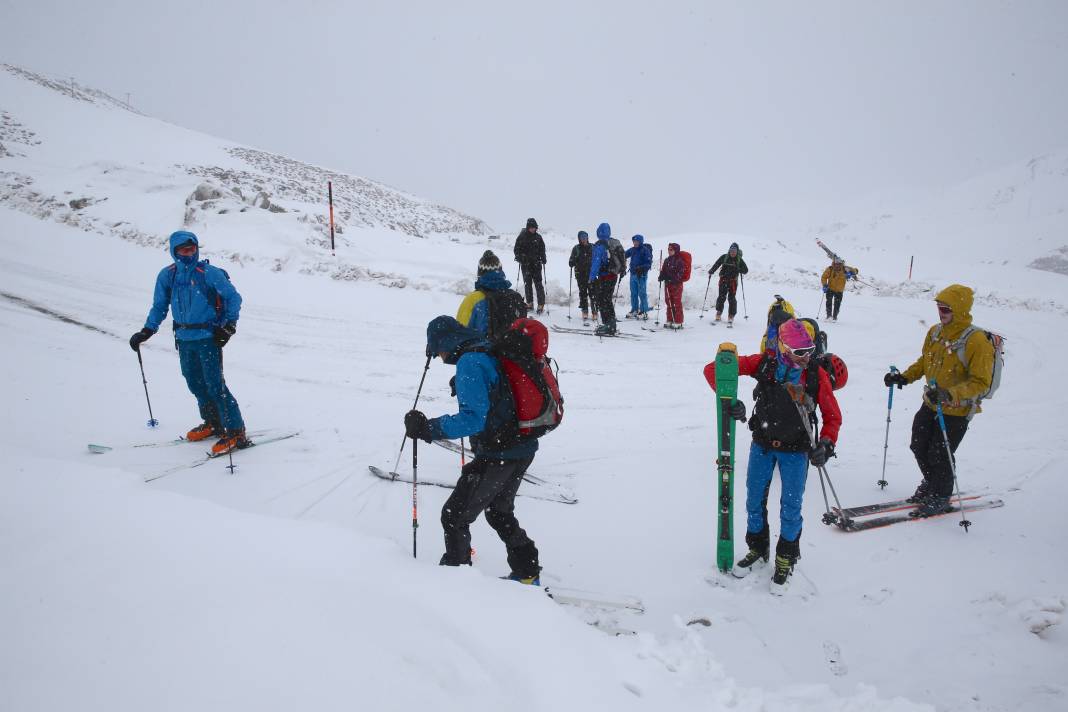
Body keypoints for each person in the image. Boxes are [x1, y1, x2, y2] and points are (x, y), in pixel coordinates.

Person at [704, 319, 842, 594]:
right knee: (754, 500)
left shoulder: (815, 375)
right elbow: (713, 370)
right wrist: (730, 400)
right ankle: (757, 548)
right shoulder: (765, 364)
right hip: (762, 445)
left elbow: (832, 415)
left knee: (790, 508)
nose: (806, 357)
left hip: (796, 451)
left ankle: (786, 559)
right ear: (781, 346)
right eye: (799, 351)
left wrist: (826, 444)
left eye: (810, 350)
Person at [404, 316, 542, 583]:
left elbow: (473, 419)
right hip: (522, 446)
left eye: (437, 350)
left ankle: (457, 585)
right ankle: (527, 572)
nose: (439, 356)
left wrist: (427, 428)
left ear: (444, 343)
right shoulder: (487, 348)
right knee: (499, 512)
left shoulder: (470, 362)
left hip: (499, 452)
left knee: (454, 515)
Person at [128, 230, 248, 455]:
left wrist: (229, 327)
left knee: (215, 385)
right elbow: (159, 306)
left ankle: (235, 430)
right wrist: (146, 331)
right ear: (175, 251)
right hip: (183, 339)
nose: (189, 253)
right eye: (184, 249)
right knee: (194, 383)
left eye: (192, 248)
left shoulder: (208, 273)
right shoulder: (168, 275)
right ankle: (213, 423)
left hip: (208, 338)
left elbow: (233, 298)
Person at [883, 285, 995, 517]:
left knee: (939, 453)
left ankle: (941, 495)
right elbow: (925, 362)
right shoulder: (935, 333)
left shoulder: (976, 341)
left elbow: (981, 382)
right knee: (918, 444)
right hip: (931, 403)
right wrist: (904, 377)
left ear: (960, 310)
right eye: (939, 308)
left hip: (956, 410)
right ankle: (932, 482)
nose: (940, 312)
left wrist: (950, 394)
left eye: (946, 309)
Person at [456, 250, 527, 339]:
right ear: (501, 271)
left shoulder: (473, 299)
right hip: (510, 350)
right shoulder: (514, 297)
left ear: (480, 273)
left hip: (483, 351)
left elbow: (459, 333)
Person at [588, 222, 624, 336]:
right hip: (613, 275)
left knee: (602, 300)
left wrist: (591, 278)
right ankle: (611, 324)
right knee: (607, 299)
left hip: (605, 276)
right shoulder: (615, 242)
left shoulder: (600, 244)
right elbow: (622, 258)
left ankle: (608, 325)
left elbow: (596, 262)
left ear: (599, 232)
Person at [708, 242, 749, 324]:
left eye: (734, 251)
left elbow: (746, 270)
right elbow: (717, 264)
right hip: (723, 280)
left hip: (733, 282)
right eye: (731, 250)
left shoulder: (739, 260)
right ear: (729, 250)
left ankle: (731, 315)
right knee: (721, 297)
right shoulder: (724, 257)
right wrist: (712, 270)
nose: (732, 252)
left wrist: (739, 269)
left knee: (732, 299)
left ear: (737, 252)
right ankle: (719, 313)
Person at [513, 218, 547, 313]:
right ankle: (529, 303)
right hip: (525, 265)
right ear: (528, 227)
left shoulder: (538, 238)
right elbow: (516, 250)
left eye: (534, 228)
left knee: (538, 284)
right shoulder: (521, 237)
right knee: (527, 284)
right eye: (531, 227)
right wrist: (520, 257)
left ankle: (541, 304)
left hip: (536, 264)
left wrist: (543, 258)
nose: (533, 229)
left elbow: (542, 249)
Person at [657, 242, 686, 329]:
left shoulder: (679, 261)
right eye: (668, 249)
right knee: (669, 302)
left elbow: (680, 273)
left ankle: (678, 321)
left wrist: (672, 278)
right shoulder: (667, 260)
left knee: (676, 302)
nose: (669, 251)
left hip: (676, 285)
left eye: (671, 249)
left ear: (676, 250)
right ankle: (670, 319)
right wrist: (661, 276)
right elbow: (663, 270)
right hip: (668, 284)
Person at [820, 257, 859, 322]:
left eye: (839, 264)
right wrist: (824, 285)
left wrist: (851, 273)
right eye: (836, 263)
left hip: (839, 290)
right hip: (830, 288)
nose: (837, 265)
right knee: (828, 302)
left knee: (837, 304)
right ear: (834, 263)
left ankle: (834, 317)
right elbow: (823, 277)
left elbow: (856, 270)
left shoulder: (845, 269)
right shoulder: (830, 269)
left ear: (841, 264)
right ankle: (829, 316)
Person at [568, 231, 595, 322]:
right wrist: (572, 262)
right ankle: (585, 311)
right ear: (579, 238)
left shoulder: (592, 247)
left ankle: (594, 311)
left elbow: (597, 259)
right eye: (582, 237)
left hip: (591, 274)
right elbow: (571, 260)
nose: (584, 239)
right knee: (583, 293)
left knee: (593, 293)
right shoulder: (576, 248)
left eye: (585, 237)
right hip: (580, 274)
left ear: (587, 237)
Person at [624, 234, 653, 319]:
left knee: (642, 293)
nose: (635, 243)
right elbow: (624, 254)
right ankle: (634, 310)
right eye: (634, 241)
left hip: (641, 275)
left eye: (637, 241)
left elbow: (648, 263)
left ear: (640, 241)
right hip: (633, 274)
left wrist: (641, 268)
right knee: (633, 293)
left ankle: (644, 311)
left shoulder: (645, 250)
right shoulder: (632, 250)